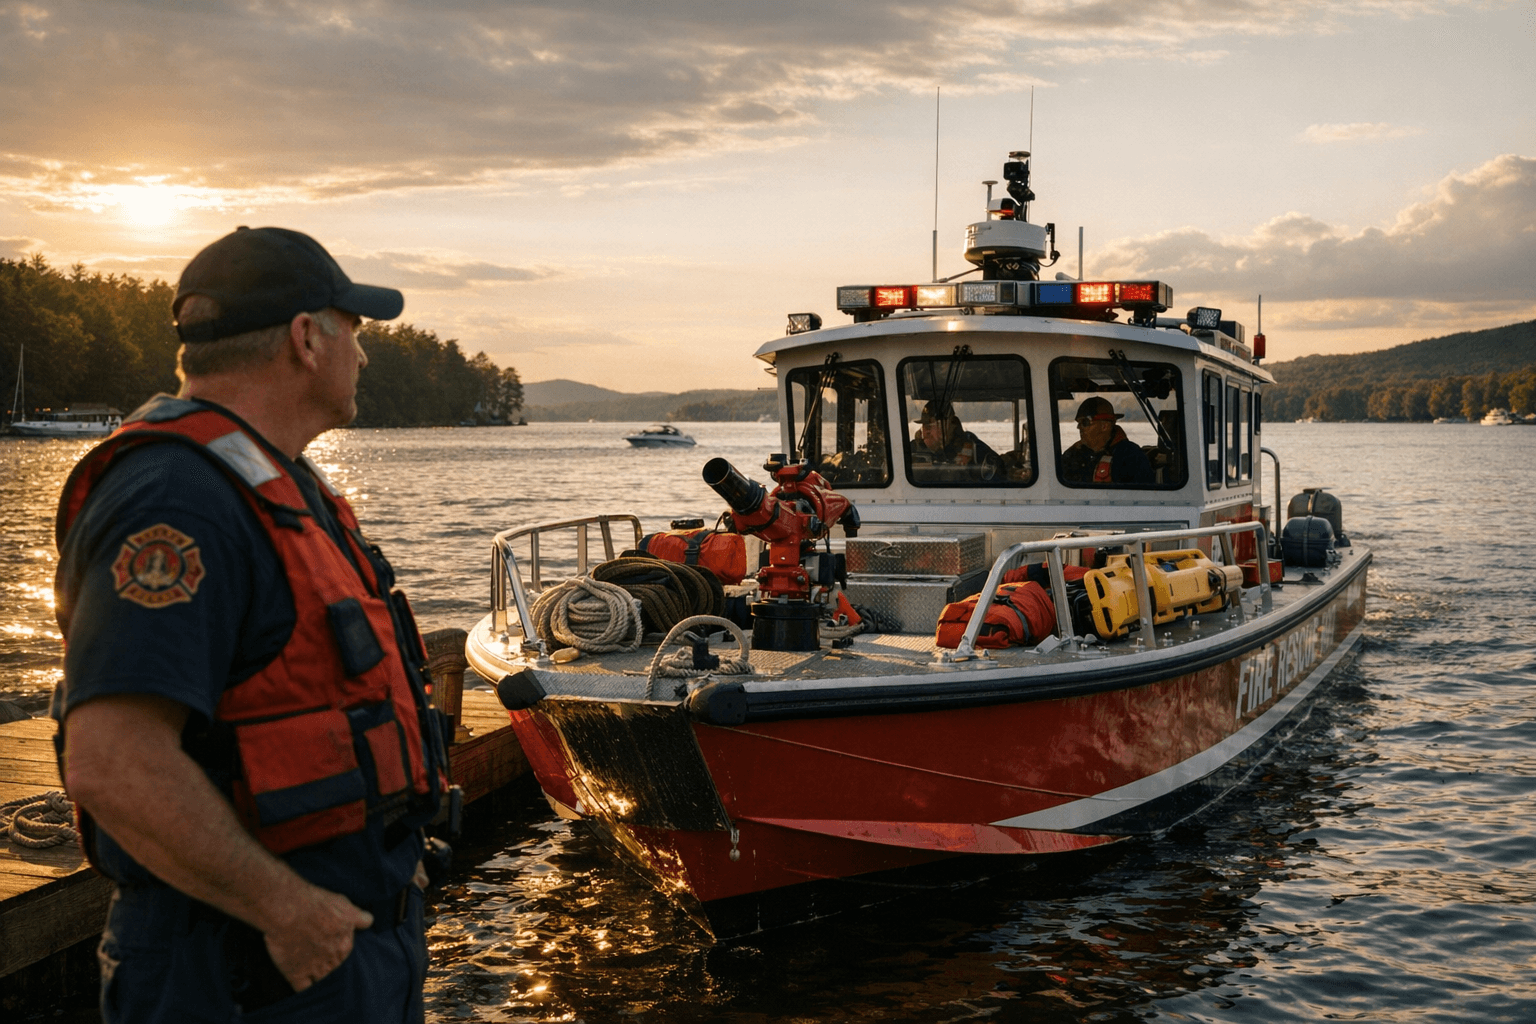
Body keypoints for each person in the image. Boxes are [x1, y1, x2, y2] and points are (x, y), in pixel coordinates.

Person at [50, 227, 452, 1023]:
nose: (363, 356)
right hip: (246, 968)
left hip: (330, 954)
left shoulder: (273, 482)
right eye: (355, 332)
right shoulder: (175, 499)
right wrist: (288, 912)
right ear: (307, 338)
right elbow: (113, 762)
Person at [1061, 395, 1155, 485]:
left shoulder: (1130, 456)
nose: (1079, 427)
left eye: (1085, 422)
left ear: (1104, 426)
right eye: (1078, 423)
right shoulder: (1072, 454)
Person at [911, 401, 1002, 478]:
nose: (926, 432)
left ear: (949, 425)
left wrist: (970, 468)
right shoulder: (913, 450)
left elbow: (999, 477)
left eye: (931, 426)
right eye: (924, 427)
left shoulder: (975, 450)